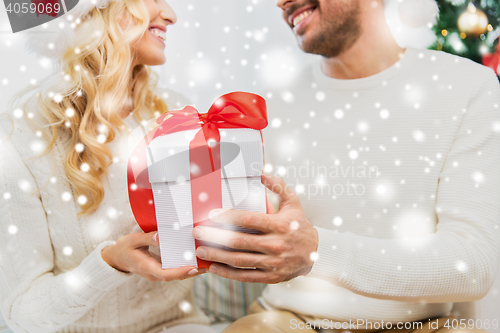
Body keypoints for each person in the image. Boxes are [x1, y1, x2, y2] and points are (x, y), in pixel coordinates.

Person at [190, 0, 500, 332]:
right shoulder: (266, 108)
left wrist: (316, 252)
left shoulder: (466, 87)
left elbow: (472, 264)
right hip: (286, 322)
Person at [0, 0, 220, 332]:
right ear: (93, 12)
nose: (171, 15)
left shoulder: (175, 112)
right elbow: (22, 315)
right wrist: (110, 264)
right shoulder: (22, 136)